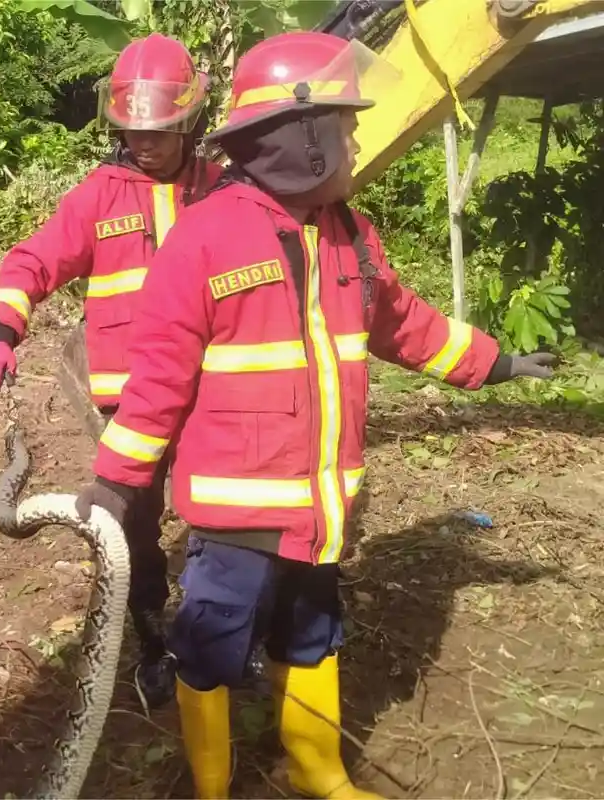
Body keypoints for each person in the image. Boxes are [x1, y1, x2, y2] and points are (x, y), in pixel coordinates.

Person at [75, 30, 556, 800]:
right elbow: (156, 379)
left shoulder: (351, 237)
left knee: (310, 636)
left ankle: (318, 772)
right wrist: (117, 479)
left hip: (320, 505)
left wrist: (493, 361)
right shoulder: (205, 237)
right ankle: (210, 782)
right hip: (236, 515)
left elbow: (405, 324)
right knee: (209, 646)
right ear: (300, 136)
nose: (357, 136)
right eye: (345, 122)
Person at [0, 32, 223, 710]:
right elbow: (32, 262)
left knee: (216, 521)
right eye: (131, 131)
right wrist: (3, 327)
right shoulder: (99, 197)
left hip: (211, 393)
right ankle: (152, 639)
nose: (144, 144)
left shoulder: (223, 190)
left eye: (159, 131)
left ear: (189, 121)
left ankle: (215, 637)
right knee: (136, 529)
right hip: (130, 402)